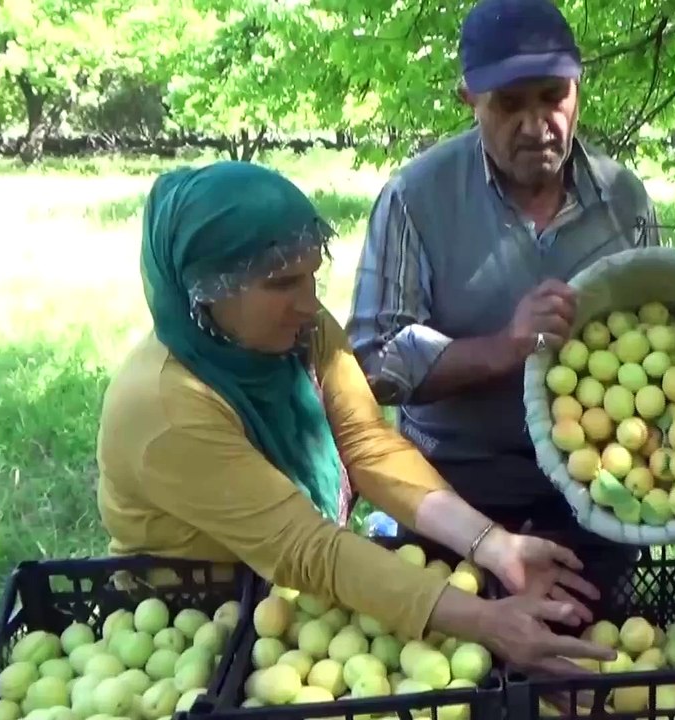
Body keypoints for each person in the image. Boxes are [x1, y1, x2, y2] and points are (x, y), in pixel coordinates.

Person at [96, 160, 616, 676]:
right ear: (204, 291)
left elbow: (367, 445)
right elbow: (305, 547)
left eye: (312, 276)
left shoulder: (300, 332)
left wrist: (493, 545)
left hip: (298, 603)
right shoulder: (166, 408)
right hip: (191, 622)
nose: (310, 303)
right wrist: (486, 621)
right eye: (282, 283)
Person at [346, 0, 660, 616]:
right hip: (455, 494)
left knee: (600, 656)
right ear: (469, 98)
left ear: (577, 89)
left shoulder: (623, 201)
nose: (536, 124)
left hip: (594, 488)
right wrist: (505, 347)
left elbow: (658, 340)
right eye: (510, 104)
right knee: (460, 667)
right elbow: (374, 363)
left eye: (552, 97)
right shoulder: (418, 198)